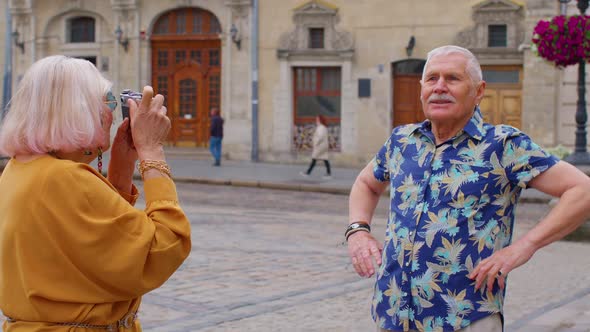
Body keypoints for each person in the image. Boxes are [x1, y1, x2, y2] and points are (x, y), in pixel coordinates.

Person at [346, 45, 590, 331]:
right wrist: (357, 230)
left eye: (452, 78)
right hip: (393, 314)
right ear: (421, 88)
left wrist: (525, 246)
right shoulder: (403, 141)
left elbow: (582, 190)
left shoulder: (502, 145)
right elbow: (366, 183)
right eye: (432, 79)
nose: (439, 87)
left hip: (465, 318)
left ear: (479, 90)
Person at [0, 55, 192, 331]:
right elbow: (165, 246)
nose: (112, 114)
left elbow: (96, 238)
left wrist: (122, 165)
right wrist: (152, 151)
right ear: (76, 111)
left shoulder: (20, 168)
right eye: (108, 102)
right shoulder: (64, 177)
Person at [300, 115, 332, 179]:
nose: (316, 120)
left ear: (320, 120)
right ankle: (328, 173)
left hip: (320, 146)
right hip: (323, 146)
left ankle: (308, 173)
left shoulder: (321, 127)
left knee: (314, 158)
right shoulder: (323, 127)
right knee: (325, 159)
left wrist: (315, 143)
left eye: (317, 119)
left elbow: (320, 137)